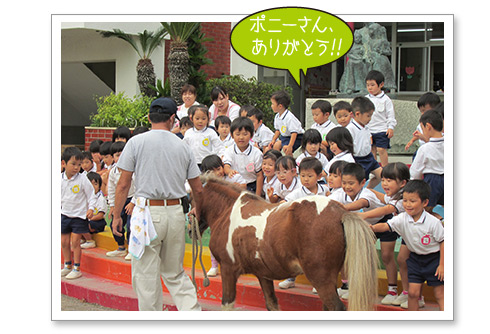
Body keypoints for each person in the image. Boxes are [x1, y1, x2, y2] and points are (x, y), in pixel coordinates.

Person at [112, 97, 203, 311]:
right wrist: (197, 208)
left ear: (149, 117)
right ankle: (193, 315)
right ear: (173, 119)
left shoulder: (136, 142)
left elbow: (123, 184)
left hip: (146, 212)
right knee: (175, 273)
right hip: (175, 211)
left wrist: (116, 215)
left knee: (145, 275)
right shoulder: (183, 146)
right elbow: (197, 188)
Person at [371, 180, 444, 311]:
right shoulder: (402, 218)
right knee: (413, 293)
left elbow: (443, 241)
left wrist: (442, 265)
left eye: (412, 201)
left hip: (434, 259)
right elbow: (386, 226)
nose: (408, 205)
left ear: (425, 203)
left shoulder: (433, 222)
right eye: (405, 201)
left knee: (440, 294)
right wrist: (372, 228)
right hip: (415, 260)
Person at [327, 163, 388, 300]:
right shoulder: (339, 194)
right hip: (363, 224)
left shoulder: (367, 193)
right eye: (344, 183)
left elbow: (361, 203)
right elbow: (329, 203)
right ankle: (347, 285)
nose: (347, 187)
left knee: (372, 255)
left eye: (351, 183)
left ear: (362, 183)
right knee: (348, 253)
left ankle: (376, 288)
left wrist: (343, 207)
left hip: (381, 221)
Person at [357, 162, 412, 306]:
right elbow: (383, 198)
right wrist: (366, 189)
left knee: (402, 260)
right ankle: (404, 292)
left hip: (414, 235)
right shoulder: (394, 195)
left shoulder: (402, 199)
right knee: (401, 259)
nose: (385, 184)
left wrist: (364, 216)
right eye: (383, 180)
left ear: (403, 183)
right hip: (406, 234)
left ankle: (409, 294)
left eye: (389, 180)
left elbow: (386, 209)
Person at [278, 157, 328, 289]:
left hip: (320, 230)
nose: (306, 179)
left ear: (319, 176)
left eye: (310, 176)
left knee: (318, 258)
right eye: (303, 175)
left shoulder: (325, 190)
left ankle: (318, 283)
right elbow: (285, 203)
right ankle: (290, 278)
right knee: (297, 255)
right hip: (302, 231)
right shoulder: (298, 193)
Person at [200, 154, 247, 277]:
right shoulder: (206, 184)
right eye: (212, 171)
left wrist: (235, 187)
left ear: (223, 167)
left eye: (218, 169)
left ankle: (237, 265)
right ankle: (214, 266)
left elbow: (243, 186)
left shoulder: (232, 176)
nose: (217, 173)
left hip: (234, 216)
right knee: (214, 242)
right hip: (217, 219)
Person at [61, 147, 96, 280]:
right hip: (64, 214)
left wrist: (91, 208)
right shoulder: (60, 179)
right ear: (64, 163)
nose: (76, 167)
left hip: (79, 216)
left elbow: (91, 195)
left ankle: (77, 267)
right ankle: (67, 265)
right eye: (73, 164)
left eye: (79, 165)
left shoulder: (82, 179)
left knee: (75, 242)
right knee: (64, 242)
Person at [410, 109, 444, 217]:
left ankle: (440, 221)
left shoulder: (425, 149)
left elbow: (415, 171)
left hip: (432, 180)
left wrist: (414, 183)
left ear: (428, 126)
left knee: (425, 211)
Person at [106, 141, 135, 260]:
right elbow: (112, 190)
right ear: (112, 157)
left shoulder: (134, 170)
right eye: (117, 155)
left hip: (133, 200)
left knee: (131, 225)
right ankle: (121, 247)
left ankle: (132, 249)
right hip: (120, 200)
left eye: (123, 154)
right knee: (116, 221)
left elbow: (140, 187)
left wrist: (133, 202)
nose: (121, 158)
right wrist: (112, 206)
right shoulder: (113, 172)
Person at [346, 96, 382, 189]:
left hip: (369, 157)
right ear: (357, 114)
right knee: (358, 183)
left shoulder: (365, 127)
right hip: (358, 160)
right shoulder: (350, 129)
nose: (370, 118)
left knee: (382, 176)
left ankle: (368, 190)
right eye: (368, 116)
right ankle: (360, 195)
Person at [223, 117, 264, 196]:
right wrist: (229, 171)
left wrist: (257, 196)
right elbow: (226, 166)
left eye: (245, 134)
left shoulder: (257, 153)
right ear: (232, 135)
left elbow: (259, 175)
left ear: (251, 135)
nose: (241, 137)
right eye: (237, 134)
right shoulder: (229, 151)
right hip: (234, 185)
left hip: (251, 185)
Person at [365, 70, 397, 168]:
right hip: (369, 130)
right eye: (367, 85)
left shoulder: (386, 99)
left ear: (381, 84)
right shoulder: (365, 99)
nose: (370, 88)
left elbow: (390, 115)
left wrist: (390, 127)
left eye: (372, 85)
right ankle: (374, 169)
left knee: (381, 150)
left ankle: (385, 169)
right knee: (371, 150)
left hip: (382, 130)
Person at [268, 90, 304, 156]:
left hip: (297, 138)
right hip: (285, 137)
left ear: (280, 106)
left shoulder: (289, 117)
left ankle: (289, 164)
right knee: (276, 146)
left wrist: (290, 146)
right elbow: (278, 130)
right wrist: (273, 140)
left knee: (286, 149)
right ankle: (277, 163)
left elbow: (294, 133)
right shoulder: (277, 116)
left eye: (273, 104)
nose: (271, 106)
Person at [81, 172, 108, 249]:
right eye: (90, 184)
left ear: (99, 186)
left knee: (83, 224)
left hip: (98, 221)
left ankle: (90, 241)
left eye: (95, 184)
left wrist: (89, 219)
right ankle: (83, 238)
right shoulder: (84, 197)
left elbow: (100, 215)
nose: (92, 186)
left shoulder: (100, 199)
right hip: (89, 219)